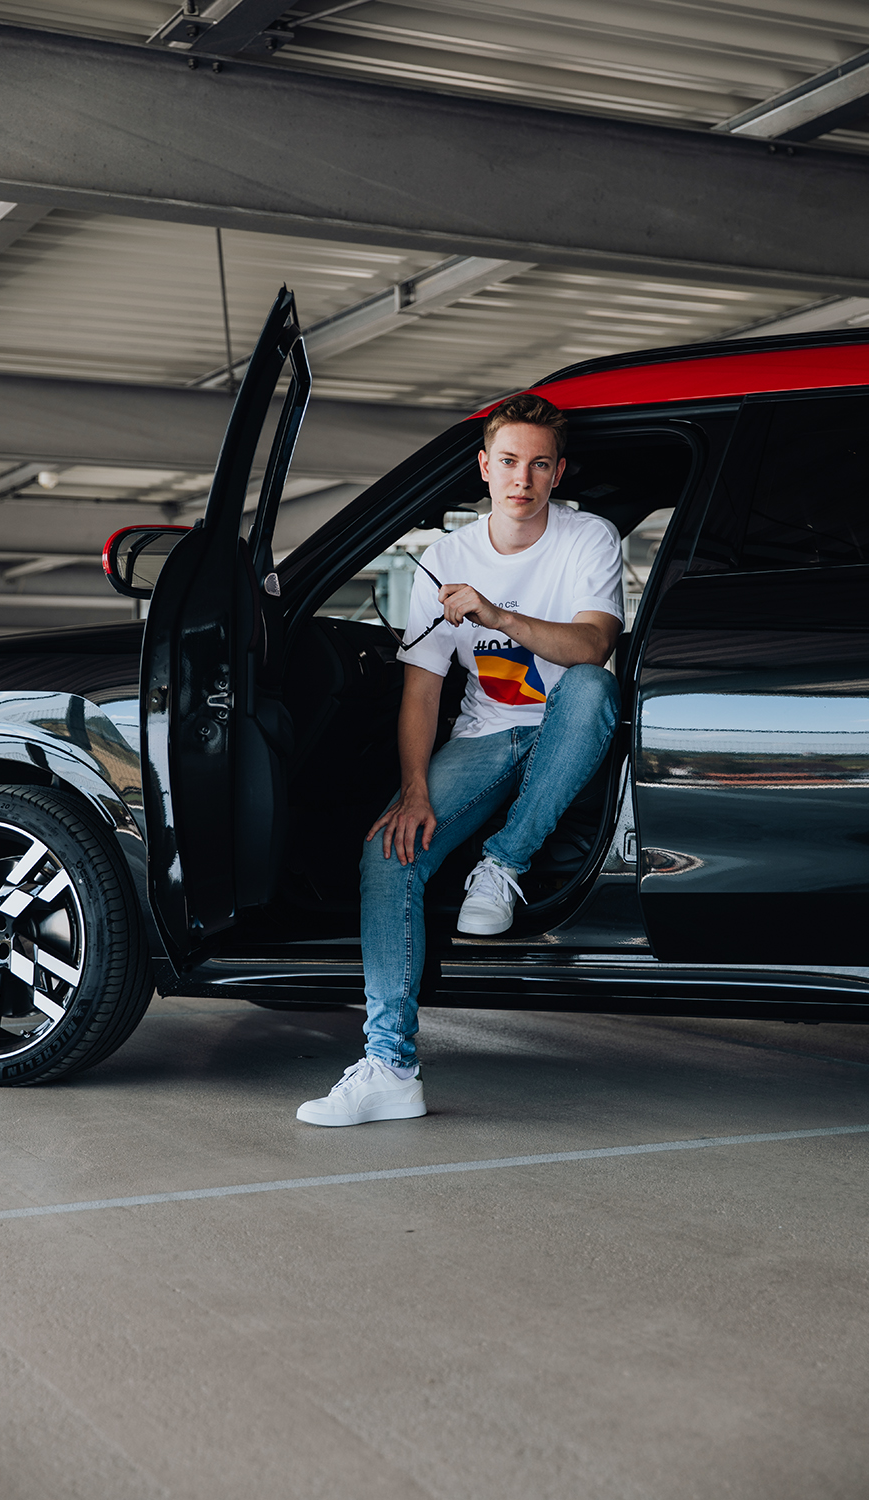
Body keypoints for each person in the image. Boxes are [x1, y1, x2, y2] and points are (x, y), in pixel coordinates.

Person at [296, 393, 623, 1127]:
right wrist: (412, 791)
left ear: (558, 471)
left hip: (572, 728)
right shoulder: (446, 558)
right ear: (484, 467)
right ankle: (390, 1065)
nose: (523, 478)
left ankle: (503, 864)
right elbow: (421, 690)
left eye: (540, 464)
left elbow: (592, 649)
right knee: (387, 852)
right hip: (486, 735)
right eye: (509, 462)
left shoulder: (587, 539)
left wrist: (496, 615)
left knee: (593, 689)